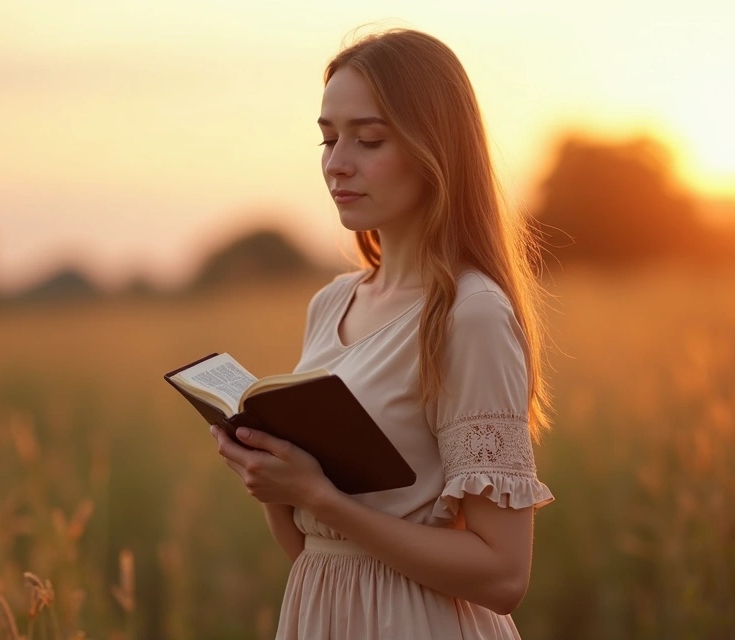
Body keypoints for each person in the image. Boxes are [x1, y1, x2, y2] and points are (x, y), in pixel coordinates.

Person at [210, 27, 555, 640]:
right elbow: (314, 550)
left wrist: (320, 498)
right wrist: (269, 478)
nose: (336, 163)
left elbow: (504, 575)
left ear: (436, 151)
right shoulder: (331, 303)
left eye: (368, 140)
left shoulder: (468, 314)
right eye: (328, 138)